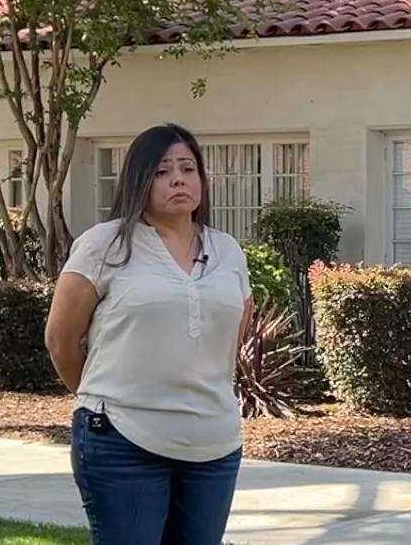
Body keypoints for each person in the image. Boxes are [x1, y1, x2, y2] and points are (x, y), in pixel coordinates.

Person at [45, 123, 254, 545]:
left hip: (212, 446)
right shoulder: (105, 245)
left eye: (188, 168)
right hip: (122, 440)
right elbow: (61, 339)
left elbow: (236, 327)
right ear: (138, 179)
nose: (178, 178)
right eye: (162, 171)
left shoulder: (228, 250)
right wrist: (101, 398)